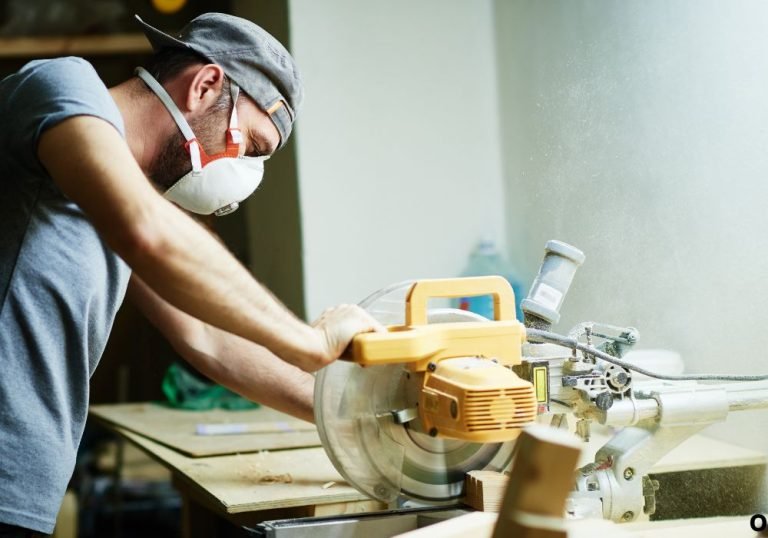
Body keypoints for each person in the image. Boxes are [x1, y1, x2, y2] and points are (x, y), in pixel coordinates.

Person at [0, 12, 383, 536]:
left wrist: (355, 413)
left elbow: (210, 337)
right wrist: (310, 341)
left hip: (24, 496)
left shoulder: (125, 193)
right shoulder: (62, 87)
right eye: (250, 145)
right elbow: (149, 232)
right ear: (204, 86)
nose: (244, 171)